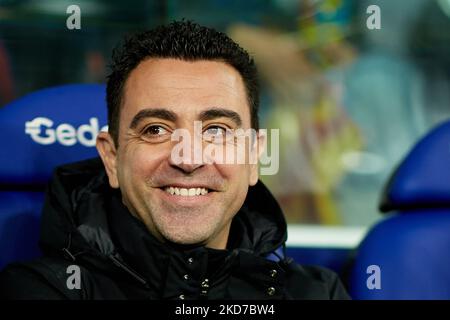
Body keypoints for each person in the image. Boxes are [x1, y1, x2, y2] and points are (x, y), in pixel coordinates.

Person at [0, 21, 350, 300]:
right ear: (111, 157)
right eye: (155, 129)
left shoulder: (316, 292)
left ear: (254, 155)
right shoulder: (40, 290)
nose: (188, 158)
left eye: (216, 130)